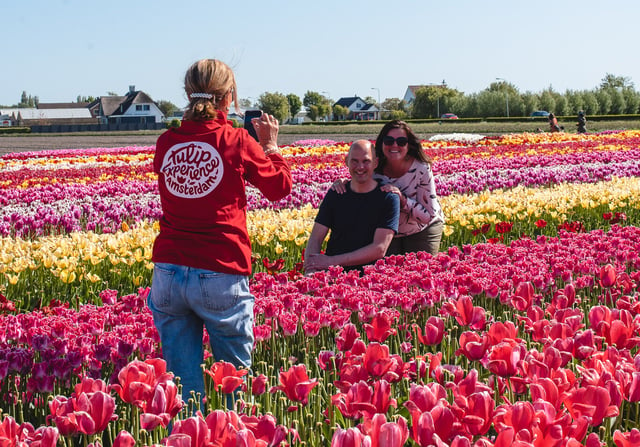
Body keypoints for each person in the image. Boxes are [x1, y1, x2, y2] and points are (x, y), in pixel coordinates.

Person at [147, 58, 292, 409]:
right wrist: (271, 146)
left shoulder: (167, 142)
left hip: (168, 269)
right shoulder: (236, 139)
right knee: (234, 389)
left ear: (186, 92)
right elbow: (280, 188)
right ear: (229, 97)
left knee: (182, 391)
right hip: (220, 267)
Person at [332, 120, 445, 256]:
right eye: (389, 140)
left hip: (422, 228)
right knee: (388, 272)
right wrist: (345, 183)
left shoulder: (420, 168)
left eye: (401, 141)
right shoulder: (374, 166)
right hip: (387, 230)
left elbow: (428, 216)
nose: (395, 145)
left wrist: (402, 200)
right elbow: (359, 181)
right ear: (382, 143)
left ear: (409, 145)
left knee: (420, 271)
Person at [304, 140, 400, 274]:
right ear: (346, 161)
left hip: (370, 278)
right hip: (334, 275)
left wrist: (331, 262)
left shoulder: (387, 197)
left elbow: (379, 248)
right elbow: (316, 237)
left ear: (375, 163)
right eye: (354, 161)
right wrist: (311, 269)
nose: (360, 167)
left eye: (366, 161)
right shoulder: (336, 193)